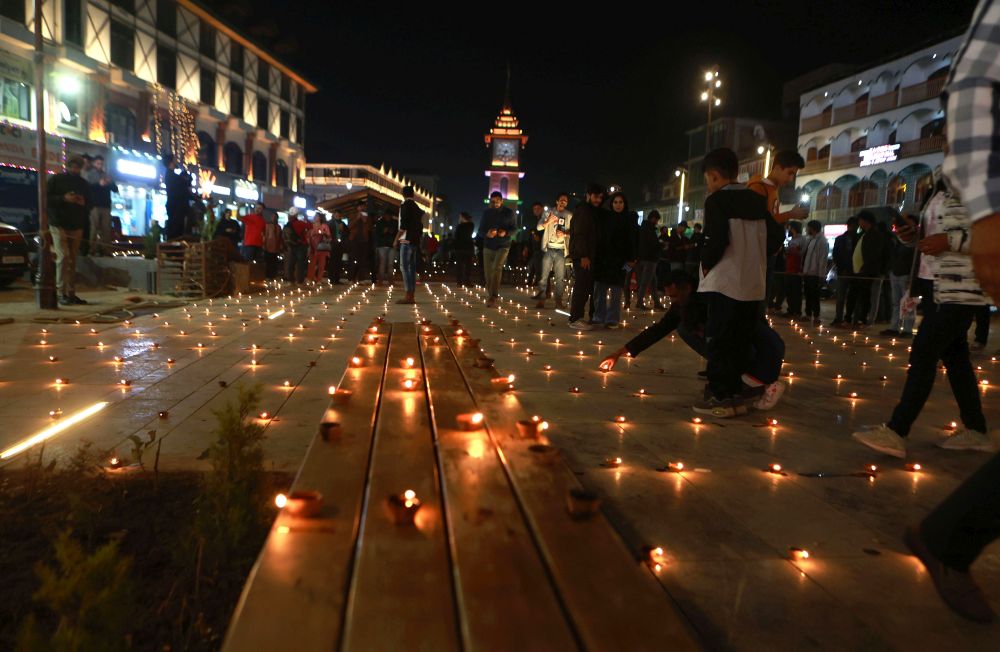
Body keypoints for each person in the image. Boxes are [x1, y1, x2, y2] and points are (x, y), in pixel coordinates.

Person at [904, 4, 1000, 623]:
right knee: (937, 353)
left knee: (946, 355)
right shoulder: (951, 181)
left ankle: (948, 535)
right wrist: (986, 223)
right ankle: (949, 536)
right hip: (957, 279)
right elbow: (973, 82)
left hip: (958, 283)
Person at [853, 171, 993, 458]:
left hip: (959, 288)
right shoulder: (939, 185)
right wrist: (912, 236)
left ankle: (897, 430)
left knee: (923, 354)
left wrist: (950, 241)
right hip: (932, 285)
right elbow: (932, 237)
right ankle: (976, 430)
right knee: (956, 358)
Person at [599, 270, 786, 410]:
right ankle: (740, 377)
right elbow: (658, 330)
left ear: (687, 288)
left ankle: (757, 383)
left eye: (674, 296)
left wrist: (724, 375)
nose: (672, 301)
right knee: (689, 330)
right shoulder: (688, 303)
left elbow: (745, 341)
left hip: (760, 356)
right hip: (750, 352)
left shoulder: (713, 304)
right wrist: (619, 353)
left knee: (692, 332)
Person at [694, 148, 774, 417]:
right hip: (752, 283)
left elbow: (716, 239)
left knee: (719, 341)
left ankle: (719, 397)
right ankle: (735, 397)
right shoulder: (757, 200)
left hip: (725, 282)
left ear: (714, 176)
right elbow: (775, 237)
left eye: (708, 180)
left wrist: (706, 262)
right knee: (740, 342)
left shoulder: (717, 200)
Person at [748, 150, 807, 317]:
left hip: (768, 251)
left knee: (762, 298)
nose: (791, 179)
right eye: (790, 173)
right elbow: (760, 220)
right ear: (778, 168)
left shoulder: (773, 189)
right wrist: (790, 214)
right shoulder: (758, 188)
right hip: (759, 252)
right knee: (757, 300)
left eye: (794, 174)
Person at [46, 156, 91, 305]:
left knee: (72, 259)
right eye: (72, 166)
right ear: (67, 166)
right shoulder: (56, 180)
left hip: (76, 224)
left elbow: (90, 204)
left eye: (77, 167)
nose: (75, 169)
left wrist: (83, 203)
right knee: (63, 256)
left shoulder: (83, 183)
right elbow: (45, 199)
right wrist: (63, 198)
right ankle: (61, 293)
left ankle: (71, 293)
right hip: (58, 223)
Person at [592, 191, 636, 329]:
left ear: (625, 204)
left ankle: (612, 319)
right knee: (600, 290)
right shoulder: (606, 217)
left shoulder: (629, 219)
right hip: (604, 260)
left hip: (621, 261)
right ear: (611, 203)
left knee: (616, 291)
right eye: (615, 202)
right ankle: (599, 317)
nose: (618, 205)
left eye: (620, 202)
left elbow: (633, 241)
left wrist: (631, 260)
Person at [567, 182, 604, 330]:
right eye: (595, 197)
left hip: (587, 254)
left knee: (584, 286)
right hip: (583, 255)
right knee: (581, 286)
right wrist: (583, 255)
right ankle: (575, 318)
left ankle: (577, 317)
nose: (598, 200)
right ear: (588, 195)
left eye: (600, 197)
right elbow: (580, 234)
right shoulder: (584, 211)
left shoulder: (590, 210)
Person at [845, 210, 884, 327]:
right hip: (857, 271)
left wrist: (865, 267)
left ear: (866, 221)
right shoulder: (862, 234)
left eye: (860, 220)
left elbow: (873, 254)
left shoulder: (875, 235)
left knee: (865, 296)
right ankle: (849, 318)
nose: (859, 222)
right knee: (853, 295)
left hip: (866, 271)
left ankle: (863, 319)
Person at [533, 192, 572, 309]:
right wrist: (548, 221)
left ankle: (558, 301)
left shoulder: (569, 215)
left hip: (561, 249)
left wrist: (564, 234)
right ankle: (541, 299)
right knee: (544, 276)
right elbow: (538, 227)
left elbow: (573, 232)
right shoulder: (548, 212)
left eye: (565, 200)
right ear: (557, 201)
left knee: (560, 278)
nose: (563, 202)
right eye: (561, 200)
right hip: (549, 248)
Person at [881, 213, 918, 337]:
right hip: (895, 272)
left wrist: (912, 276)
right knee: (896, 302)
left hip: (906, 274)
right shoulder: (898, 238)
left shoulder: (915, 240)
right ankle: (894, 327)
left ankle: (907, 329)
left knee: (908, 303)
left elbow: (915, 259)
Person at [480, 191, 515, 306]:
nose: (495, 203)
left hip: (503, 245)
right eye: (493, 201)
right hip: (488, 245)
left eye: (497, 201)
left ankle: (493, 296)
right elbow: (480, 230)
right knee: (488, 273)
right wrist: (487, 234)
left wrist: (505, 233)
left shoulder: (509, 213)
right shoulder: (486, 213)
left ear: (502, 201)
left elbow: (514, 229)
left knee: (496, 268)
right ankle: (491, 293)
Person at [84, 155, 117, 256]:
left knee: (106, 229)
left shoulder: (106, 175)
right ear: (94, 163)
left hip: (106, 205)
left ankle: (105, 250)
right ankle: (92, 249)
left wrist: (109, 183)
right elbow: (87, 188)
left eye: (102, 164)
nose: (100, 165)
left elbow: (115, 189)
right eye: (98, 163)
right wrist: (99, 184)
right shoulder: (89, 174)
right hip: (94, 205)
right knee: (93, 228)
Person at [395, 186, 424, 304]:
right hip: (415, 240)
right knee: (411, 268)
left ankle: (408, 294)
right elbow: (420, 225)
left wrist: (396, 239)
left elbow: (403, 225)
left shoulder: (405, 205)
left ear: (403, 194)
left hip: (406, 240)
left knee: (404, 267)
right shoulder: (417, 207)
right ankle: (411, 295)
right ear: (413, 194)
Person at [830, 216, 859, 326]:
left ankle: (850, 318)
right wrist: (841, 268)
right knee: (841, 296)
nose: (854, 228)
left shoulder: (858, 238)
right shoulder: (840, 239)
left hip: (855, 272)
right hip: (843, 271)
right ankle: (839, 317)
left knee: (853, 296)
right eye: (853, 226)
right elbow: (836, 255)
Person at [800, 219, 829, 325]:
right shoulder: (811, 240)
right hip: (808, 272)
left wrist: (821, 275)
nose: (807, 230)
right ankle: (808, 314)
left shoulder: (822, 241)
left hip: (815, 273)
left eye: (808, 228)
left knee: (815, 295)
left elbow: (822, 259)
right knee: (808, 294)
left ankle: (816, 316)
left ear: (812, 228)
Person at [635, 210, 662, 310]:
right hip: (650, 259)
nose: (657, 222)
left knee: (653, 282)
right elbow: (652, 243)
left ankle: (657, 303)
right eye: (657, 220)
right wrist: (661, 245)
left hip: (643, 258)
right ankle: (639, 302)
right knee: (645, 282)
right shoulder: (649, 229)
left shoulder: (643, 228)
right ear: (653, 218)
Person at [163, 155, 192, 240]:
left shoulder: (170, 175)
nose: (177, 161)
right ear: (171, 162)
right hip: (176, 208)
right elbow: (185, 183)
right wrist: (189, 174)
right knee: (176, 232)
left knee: (176, 230)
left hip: (175, 207)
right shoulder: (172, 176)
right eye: (175, 160)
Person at [782, 221, 806, 317]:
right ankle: (790, 310)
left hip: (796, 269)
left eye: (790, 228)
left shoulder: (802, 239)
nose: (789, 229)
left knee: (796, 291)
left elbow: (802, 252)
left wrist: (793, 251)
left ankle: (797, 311)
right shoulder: (791, 240)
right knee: (789, 291)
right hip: (789, 268)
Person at [282, 207, 309, 284]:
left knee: (291, 264)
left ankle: (292, 280)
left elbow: (284, 237)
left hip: (293, 246)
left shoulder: (287, 225)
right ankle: (300, 281)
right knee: (300, 265)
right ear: (296, 215)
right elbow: (309, 228)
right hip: (301, 246)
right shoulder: (301, 223)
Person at [306, 213, 332, 283]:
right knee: (312, 264)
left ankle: (319, 279)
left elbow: (329, 236)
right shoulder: (311, 225)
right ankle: (310, 278)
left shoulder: (324, 226)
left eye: (316, 216)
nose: (315, 217)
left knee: (321, 264)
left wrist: (323, 235)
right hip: (313, 247)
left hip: (321, 247)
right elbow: (308, 235)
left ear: (320, 218)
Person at [374, 211, 397, 285]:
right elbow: (377, 233)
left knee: (390, 264)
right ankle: (381, 279)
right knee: (382, 263)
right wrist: (383, 231)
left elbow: (396, 232)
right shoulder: (380, 222)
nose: (388, 216)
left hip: (391, 245)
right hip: (382, 245)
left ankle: (390, 279)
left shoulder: (394, 222)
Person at [454, 212, 475, 286]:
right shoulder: (471, 225)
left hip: (460, 248)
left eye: (460, 217)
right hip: (468, 247)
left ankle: (459, 282)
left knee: (460, 266)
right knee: (468, 266)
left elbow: (456, 236)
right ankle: (467, 281)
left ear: (463, 217)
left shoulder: (460, 226)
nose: (459, 219)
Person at [262, 210, 283, 279]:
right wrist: (264, 245)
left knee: (274, 262)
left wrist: (280, 246)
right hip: (268, 246)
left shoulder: (279, 227)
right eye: (273, 217)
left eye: (275, 217)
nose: (274, 218)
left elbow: (280, 237)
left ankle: (272, 275)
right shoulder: (267, 225)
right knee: (268, 261)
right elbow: (265, 236)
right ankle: (267, 275)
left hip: (275, 247)